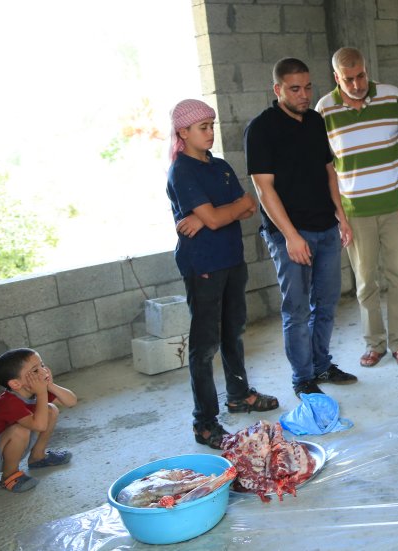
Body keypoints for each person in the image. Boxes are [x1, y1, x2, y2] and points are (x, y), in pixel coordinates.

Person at [168, 99, 281, 450]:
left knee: (234, 331)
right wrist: (216, 215)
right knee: (204, 347)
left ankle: (238, 394)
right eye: (202, 128)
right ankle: (204, 422)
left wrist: (208, 216)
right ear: (183, 133)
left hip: (231, 259)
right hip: (203, 265)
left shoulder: (219, 166)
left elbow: (250, 205)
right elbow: (224, 216)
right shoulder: (182, 171)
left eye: (211, 126)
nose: (210, 133)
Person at [245, 58, 359, 398]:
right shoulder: (261, 128)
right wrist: (291, 236)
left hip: (326, 228)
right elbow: (264, 188)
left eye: (308, 87)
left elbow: (329, 171)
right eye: (295, 89)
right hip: (289, 235)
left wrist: (341, 216)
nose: (304, 95)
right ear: (277, 89)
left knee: (326, 303)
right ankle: (303, 378)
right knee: (296, 310)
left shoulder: (314, 121)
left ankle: (322, 364)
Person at [315, 47, 398, 369]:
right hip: (355, 212)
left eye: (361, 76)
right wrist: (340, 216)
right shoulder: (324, 110)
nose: (357, 84)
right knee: (365, 282)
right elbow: (326, 168)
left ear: (366, 70)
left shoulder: (391, 96)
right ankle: (375, 344)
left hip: (395, 207)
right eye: (349, 79)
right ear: (336, 78)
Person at [0, 348, 77, 493]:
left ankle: (38, 457)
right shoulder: (8, 402)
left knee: (51, 410)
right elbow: (40, 426)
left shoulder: (33, 390)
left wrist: (50, 385)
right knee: (19, 430)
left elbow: (71, 401)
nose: (43, 371)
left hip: (15, 444)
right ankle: (9, 476)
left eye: (42, 365)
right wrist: (42, 393)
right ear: (16, 384)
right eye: (35, 370)